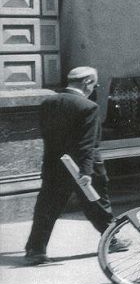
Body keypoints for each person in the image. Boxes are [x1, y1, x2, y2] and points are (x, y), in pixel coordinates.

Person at [25, 66, 124, 265]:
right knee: (97, 204)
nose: (94, 88)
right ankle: (111, 239)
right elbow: (87, 144)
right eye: (94, 84)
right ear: (87, 83)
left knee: (47, 207)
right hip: (84, 167)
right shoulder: (87, 106)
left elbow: (47, 136)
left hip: (55, 164)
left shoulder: (48, 102)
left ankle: (35, 250)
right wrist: (86, 172)